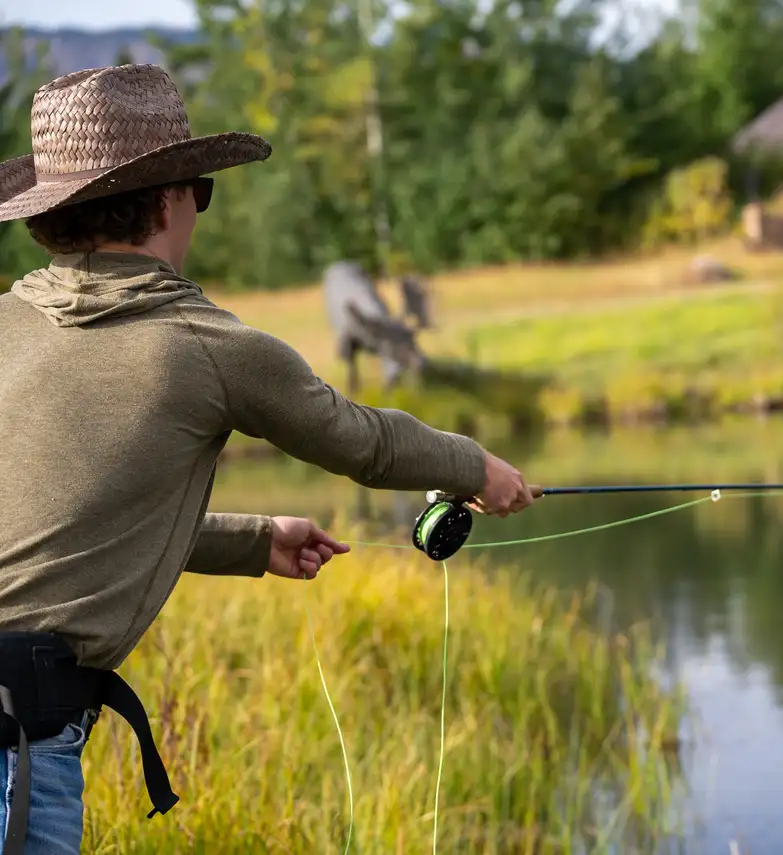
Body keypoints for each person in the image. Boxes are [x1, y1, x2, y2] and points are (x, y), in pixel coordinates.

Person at [0, 63, 534, 854]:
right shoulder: (203, 345)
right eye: (203, 189)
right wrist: (475, 468)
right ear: (173, 196)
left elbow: (60, 525)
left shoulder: (8, 321)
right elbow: (363, 440)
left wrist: (252, 542)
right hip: (20, 743)